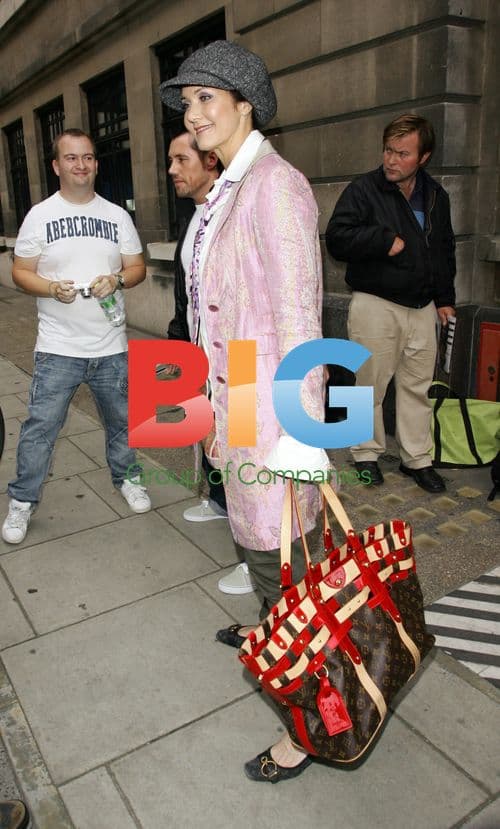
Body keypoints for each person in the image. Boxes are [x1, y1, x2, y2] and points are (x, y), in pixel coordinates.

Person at [160, 40, 328, 781]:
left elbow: (301, 320)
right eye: (187, 101)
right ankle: (272, 629)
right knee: (268, 553)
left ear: (246, 102)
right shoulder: (230, 186)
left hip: (274, 413)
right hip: (239, 403)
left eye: (206, 98)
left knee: (286, 569)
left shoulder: (275, 186)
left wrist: (307, 432)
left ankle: (311, 724)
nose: (192, 114)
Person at [1, 128, 151, 545]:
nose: (80, 165)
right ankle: (22, 501)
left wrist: (117, 279)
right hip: (57, 348)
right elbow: (20, 272)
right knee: (40, 428)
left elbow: (137, 268)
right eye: (71, 158)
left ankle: (128, 479)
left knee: (122, 422)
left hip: (110, 346)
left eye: (87, 157)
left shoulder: (117, 216)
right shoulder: (39, 216)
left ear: (96, 164)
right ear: (56, 166)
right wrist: (51, 288)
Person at [326, 114, 456, 493]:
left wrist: (445, 300)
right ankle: (364, 454)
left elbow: (444, 250)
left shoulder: (436, 196)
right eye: (388, 150)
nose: (391, 160)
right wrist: (382, 240)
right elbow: (337, 238)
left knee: (418, 387)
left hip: (423, 306)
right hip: (376, 303)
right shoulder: (363, 190)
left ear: (423, 157)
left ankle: (417, 459)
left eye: (402, 153)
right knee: (366, 384)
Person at [166, 130, 255, 595]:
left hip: (239, 359)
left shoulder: (233, 212)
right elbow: (189, 292)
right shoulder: (196, 217)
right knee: (211, 440)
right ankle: (220, 503)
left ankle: (258, 559)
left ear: (211, 163)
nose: (172, 170)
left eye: (181, 159)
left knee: (245, 457)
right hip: (201, 352)